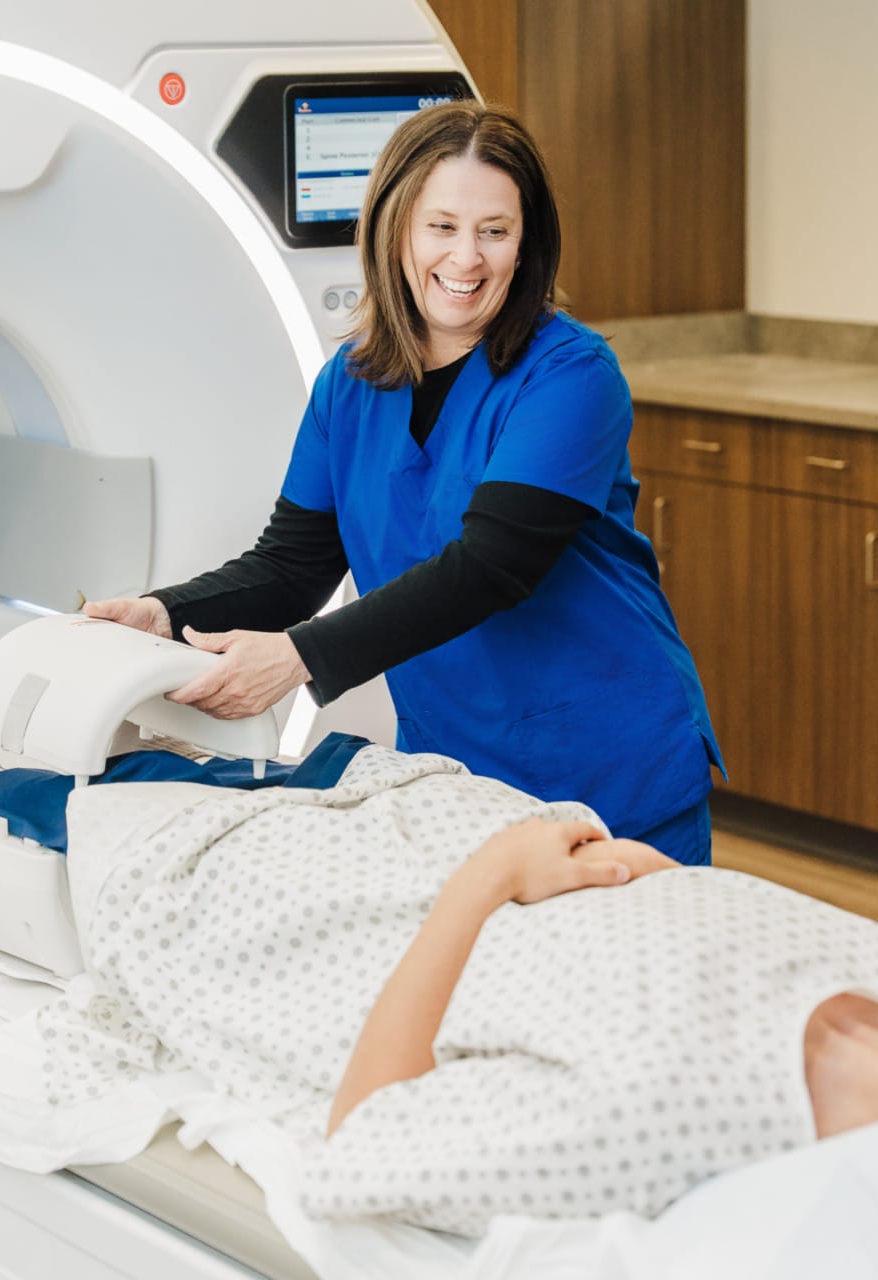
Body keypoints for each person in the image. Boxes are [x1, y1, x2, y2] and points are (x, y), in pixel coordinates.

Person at [0, 644, 878, 1236]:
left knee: (84, 812)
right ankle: (146, 759)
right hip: (438, 824)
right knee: (222, 760)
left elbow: (357, 1146)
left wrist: (487, 880)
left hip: (326, 927)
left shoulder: (660, 1108)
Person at [82, 100, 723, 865]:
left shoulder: (571, 376)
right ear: (396, 229)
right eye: (442, 226)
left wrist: (299, 659)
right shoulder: (348, 386)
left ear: (527, 246)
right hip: (455, 768)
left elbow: (492, 567)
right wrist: (164, 612)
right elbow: (292, 567)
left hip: (603, 757)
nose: (467, 258)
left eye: (495, 230)